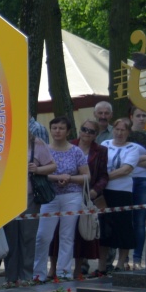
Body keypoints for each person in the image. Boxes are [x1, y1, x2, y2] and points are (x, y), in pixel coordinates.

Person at [50, 118, 109, 278]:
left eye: (91, 131)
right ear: (79, 130)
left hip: (87, 195)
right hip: (61, 193)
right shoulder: (69, 145)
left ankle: (78, 268)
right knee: (55, 233)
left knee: (81, 233)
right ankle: (53, 268)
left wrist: (95, 191)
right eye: (84, 129)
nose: (86, 133)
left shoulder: (101, 150)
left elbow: (104, 175)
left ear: (96, 134)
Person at [33, 116, 89, 282]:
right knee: (43, 236)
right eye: (54, 128)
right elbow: (37, 173)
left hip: (72, 196)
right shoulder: (44, 149)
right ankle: (38, 273)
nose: (57, 131)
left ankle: (64, 272)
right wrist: (55, 178)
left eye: (61, 128)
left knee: (67, 235)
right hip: (49, 196)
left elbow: (87, 176)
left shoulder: (76, 151)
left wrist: (70, 179)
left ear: (68, 131)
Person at [3, 129, 55, 284]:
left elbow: (52, 166)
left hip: (29, 198)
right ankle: (11, 278)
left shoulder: (36, 143)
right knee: (10, 239)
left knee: (28, 237)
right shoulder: (3, 141)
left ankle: (26, 277)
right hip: (8, 198)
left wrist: (37, 169)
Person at [101, 118, 141, 271]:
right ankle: (102, 264)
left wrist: (103, 178)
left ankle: (120, 263)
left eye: (123, 130)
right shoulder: (105, 145)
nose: (119, 133)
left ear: (128, 132)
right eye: (117, 129)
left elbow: (126, 169)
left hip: (123, 191)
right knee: (104, 227)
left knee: (123, 227)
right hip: (104, 191)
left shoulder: (133, 148)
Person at [128, 106, 146, 269]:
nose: (142, 118)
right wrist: (142, 158)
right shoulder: (125, 134)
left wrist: (130, 160)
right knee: (124, 220)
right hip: (125, 180)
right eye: (138, 115)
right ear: (131, 117)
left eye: (144, 115)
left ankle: (137, 259)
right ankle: (123, 259)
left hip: (143, 180)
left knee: (139, 221)